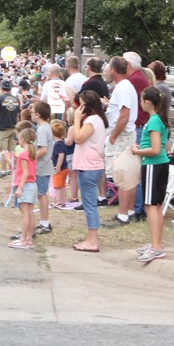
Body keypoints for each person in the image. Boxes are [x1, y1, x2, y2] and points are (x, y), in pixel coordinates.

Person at [131, 87, 171, 263]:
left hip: (153, 165)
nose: (140, 103)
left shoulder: (154, 121)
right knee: (155, 206)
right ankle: (157, 244)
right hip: (159, 165)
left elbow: (156, 149)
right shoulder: (158, 120)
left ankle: (156, 247)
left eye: (141, 100)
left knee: (151, 206)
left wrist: (137, 152)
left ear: (148, 102)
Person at [71, 90, 109, 253]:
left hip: (89, 166)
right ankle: (90, 238)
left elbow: (78, 138)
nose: (78, 107)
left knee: (90, 205)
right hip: (92, 165)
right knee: (89, 204)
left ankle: (92, 241)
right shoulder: (98, 119)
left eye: (80, 103)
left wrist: (76, 120)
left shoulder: (92, 120)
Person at [105, 57, 139, 226]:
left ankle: (123, 215)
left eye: (108, 67)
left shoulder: (123, 88)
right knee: (129, 174)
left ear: (113, 70)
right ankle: (130, 211)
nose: (106, 71)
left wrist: (113, 135)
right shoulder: (124, 87)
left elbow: (124, 114)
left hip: (122, 136)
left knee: (122, 174)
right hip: (125, 134)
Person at [7, 125, 38, 249]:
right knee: (29, 213)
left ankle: (23, 239)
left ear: (23, 139)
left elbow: (25, 172)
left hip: (25, 185)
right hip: (32, 184)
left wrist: (20, 187)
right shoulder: (31, 153)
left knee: (25, 214)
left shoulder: (24, 155)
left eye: (19, 138)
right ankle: (28, 238)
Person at [30, 101, 55, 236]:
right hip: (43, 166)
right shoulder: (46, 127)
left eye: (33, 112)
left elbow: (43, 149)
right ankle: (44, 222)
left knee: (41, 194)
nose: (31, 114)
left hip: (41, 166)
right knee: (41, 194)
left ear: (38, 115)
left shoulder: (42, 130)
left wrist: (31, 158)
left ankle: (44, 223)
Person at [49, 120, 69, 206]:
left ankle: (58, 201)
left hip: (60, 169)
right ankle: (63, 201)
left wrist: (58, 166)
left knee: (57, 186)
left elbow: (61, 155)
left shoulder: (57, 144)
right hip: (65, 167)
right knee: (62, 186)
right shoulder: (62, 142)